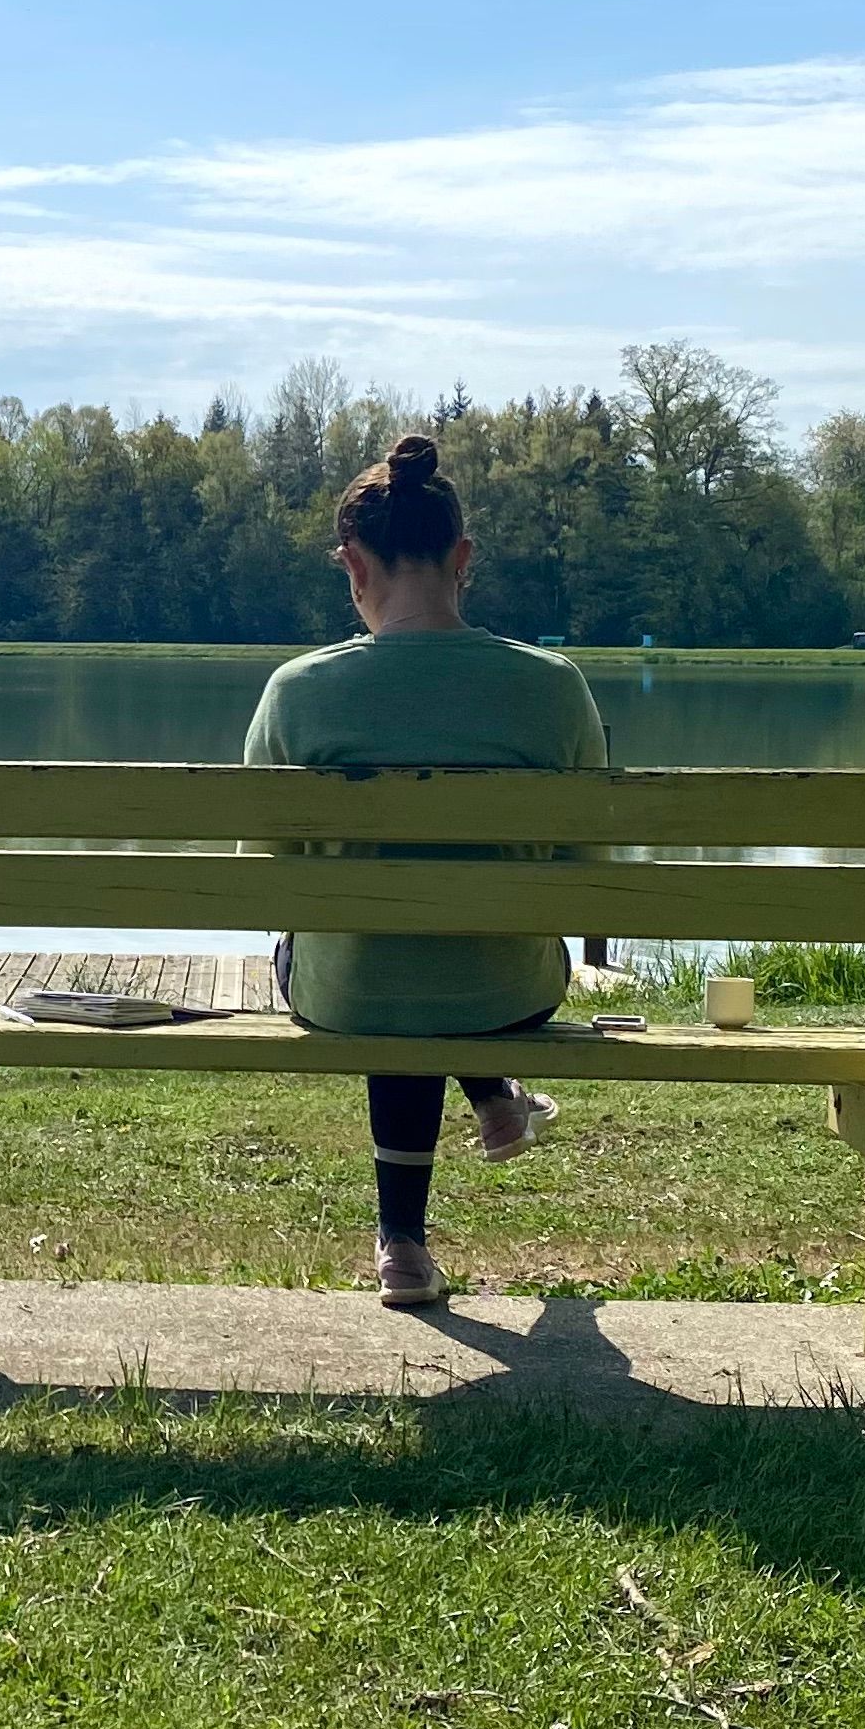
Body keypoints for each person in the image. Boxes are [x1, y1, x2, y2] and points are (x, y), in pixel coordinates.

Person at [241, 432, 608, 1308]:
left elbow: (263, 865)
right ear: (463, 559)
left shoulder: (297, 690)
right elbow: (591, 862)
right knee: (436, 949)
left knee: (379, 949)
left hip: (343, 994)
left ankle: (401, 1243)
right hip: (510, 986)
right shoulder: (552, 686)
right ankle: (494, 1096)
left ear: (354, 565)